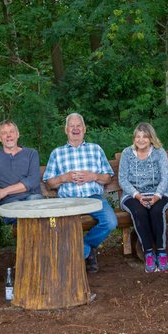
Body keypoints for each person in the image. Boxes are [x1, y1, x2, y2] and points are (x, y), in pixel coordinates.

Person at [43, 113, 117, 273]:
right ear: (66, 129)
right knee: (57, 227)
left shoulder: (95, 149)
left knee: (111, 222)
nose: (75, 129)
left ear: (84, 129)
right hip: (68, 201)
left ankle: (85, 247)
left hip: (93, 198)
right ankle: (88, 253)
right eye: (72, 126)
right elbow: (49, 183)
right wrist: (64, 177)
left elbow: (108, 177)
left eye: (79, 126)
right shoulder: (57, 153)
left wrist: (94, 176)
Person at [118, 123, 168, 273]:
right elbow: (122, 179)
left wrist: (157, 195)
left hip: (159, 193)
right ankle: (149, 253)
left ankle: (162, 252)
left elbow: (165, 176)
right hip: (133, 194)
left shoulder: (159, 152)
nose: (141, 140)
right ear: (134, 138)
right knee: (139, 212)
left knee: (157, 211)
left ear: (151, 138)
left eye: (145, 136)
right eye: (138, 136)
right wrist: (137, 195)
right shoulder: (127, 153)